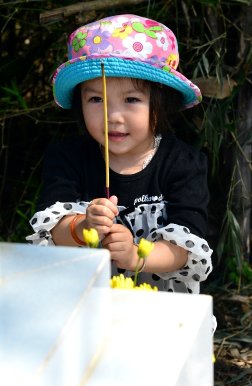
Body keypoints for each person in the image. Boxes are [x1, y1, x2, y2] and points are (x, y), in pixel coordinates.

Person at [26, 14, 213, 294]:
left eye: (131, 99)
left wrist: (135, 254)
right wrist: (82, 225)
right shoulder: (68, 157)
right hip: (85, 301)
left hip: (160, 307)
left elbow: (186, 248)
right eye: (96, 99)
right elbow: (52, 229)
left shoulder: (183, 163)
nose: (112, 116)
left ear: (160, 103)